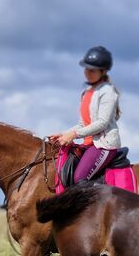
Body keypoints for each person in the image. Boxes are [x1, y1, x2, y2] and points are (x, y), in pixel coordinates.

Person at [49, 46, 122, 183]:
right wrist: (64, 134)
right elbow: (83, 124)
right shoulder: (87, 93)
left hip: (104, 145)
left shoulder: (108, 92)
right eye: (86, 69)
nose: (88, 72)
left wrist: (74, 135)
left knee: (79, 178)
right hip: (88, 144)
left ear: (103, 71)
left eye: (92, 70)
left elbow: (102, 123)